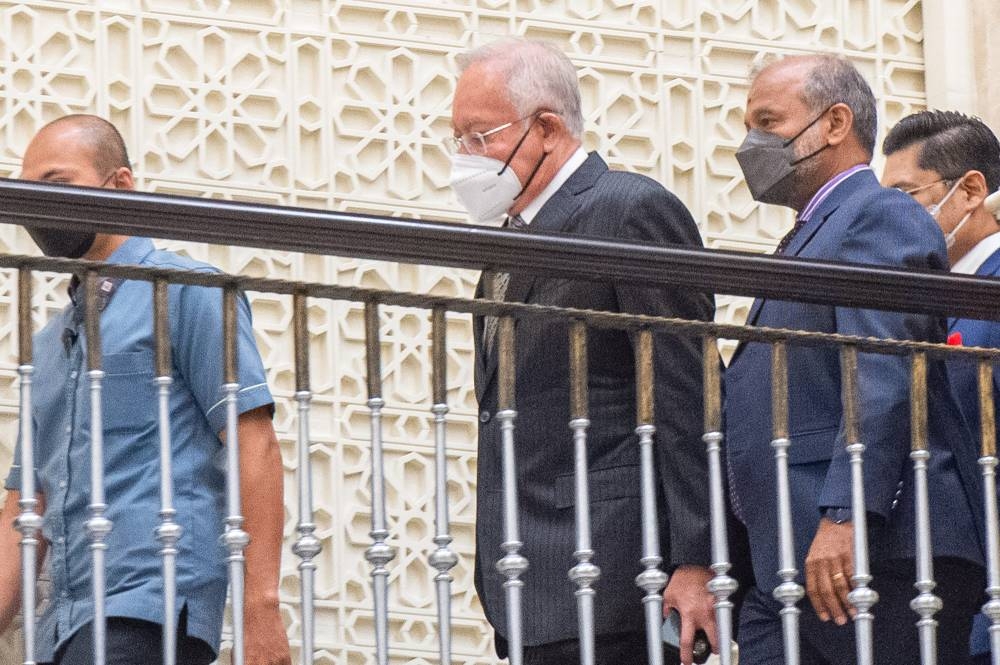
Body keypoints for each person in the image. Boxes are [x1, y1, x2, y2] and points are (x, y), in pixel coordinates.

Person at [449, 38, 720, 665]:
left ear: (546, 128)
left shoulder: (630, 209)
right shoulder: (510, 241)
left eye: (479, 136)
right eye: (458, 139)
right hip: (529, 582)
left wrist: (700, 558)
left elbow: (690, 390)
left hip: (619, 575)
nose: (465, 157)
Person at [0, 115, 290, 665]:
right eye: (29, 192)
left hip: (149, 605)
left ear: (122, 186)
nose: (42, 207)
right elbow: (23, 510)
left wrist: (261, 609)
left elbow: (255, 444)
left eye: (57, 185)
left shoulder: (186, 291)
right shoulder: (50, 345)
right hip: (63, 626)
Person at [725, 55, 986, 664]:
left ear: (835, 121)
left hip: (871, 552)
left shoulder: (878, 213)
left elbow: (883, 371)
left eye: (768, 121)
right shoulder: (814, 229)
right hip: (790, 559)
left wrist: (846, 514)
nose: (751, 145)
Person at [882, 109, 1000, 665]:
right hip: (950, 591)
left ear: (970, 189)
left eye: (905, 196)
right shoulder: (925, 301)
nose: (891, 219)